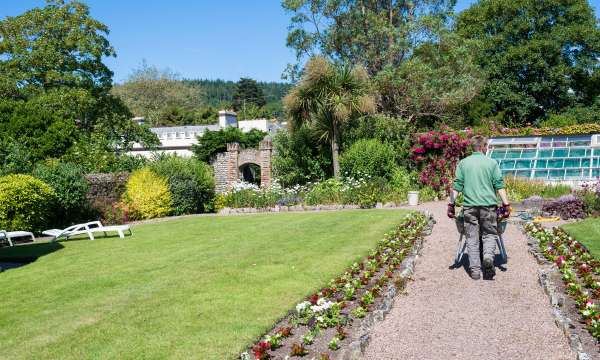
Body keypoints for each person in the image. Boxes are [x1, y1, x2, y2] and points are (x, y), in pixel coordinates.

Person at [447, 135, 511, 280]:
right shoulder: (492, 163)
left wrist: (451, 205)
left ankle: (475, 271)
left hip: (469, 207)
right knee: (489, 234)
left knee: (471, 237)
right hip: (488, 206)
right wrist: (506, 204)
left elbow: (456, 186)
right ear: (483, 147)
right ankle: (488, 257)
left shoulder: (463, 163)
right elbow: (499, 185)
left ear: (472, 147)